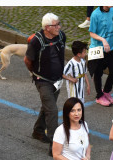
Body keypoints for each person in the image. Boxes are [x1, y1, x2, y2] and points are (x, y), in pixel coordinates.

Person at [25, 13, 66, 145]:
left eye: (59, 24)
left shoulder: (61, 36)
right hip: (43, 81)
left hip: (57, 80)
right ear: (47, 27)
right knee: (52, 111)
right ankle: (54, 144)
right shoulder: (36, 41)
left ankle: (38, 131)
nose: (59, 27)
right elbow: (28, 60)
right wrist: (35, 73)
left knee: (48, 107)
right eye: (56, 25)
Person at [88, 6, 113, 107]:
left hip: (110, 47)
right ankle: (99, 96)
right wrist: (103, 40)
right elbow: (92, 33)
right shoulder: (95, 14)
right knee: (98, 73)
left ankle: (106, 91)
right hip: (98, 49)